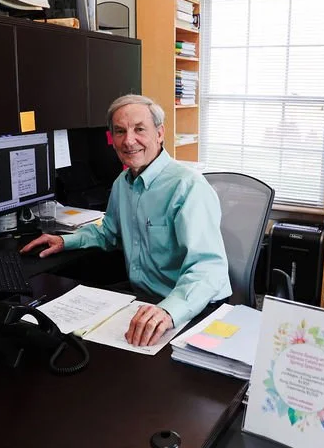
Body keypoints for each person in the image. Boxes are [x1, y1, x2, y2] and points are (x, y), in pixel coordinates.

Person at [22, 94, 230, 346]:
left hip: (189, 307)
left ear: (160, 133)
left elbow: (208, 268)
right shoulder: (123, 183)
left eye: (139, 129)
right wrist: (66, 241)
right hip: (144, 302)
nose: (129, 141)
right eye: (120, 131)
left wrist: (169, 311)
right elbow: (109, 233)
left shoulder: (188, 187)